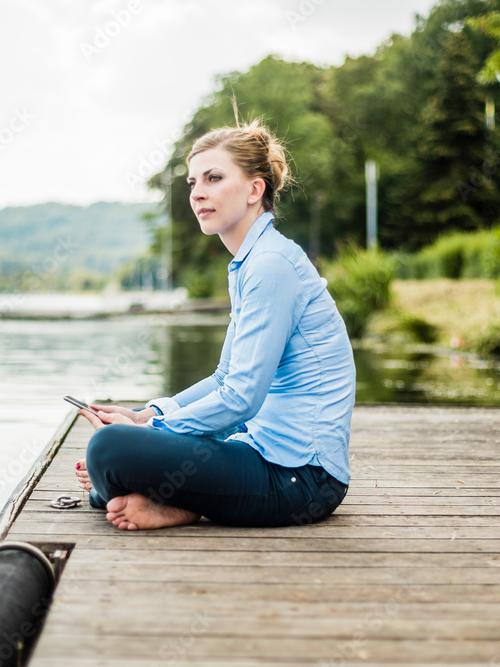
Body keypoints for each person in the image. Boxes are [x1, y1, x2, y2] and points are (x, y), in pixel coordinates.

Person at [75, 119, 355, 530]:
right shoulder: (250, 263)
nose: (198, 192)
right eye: (192, 182)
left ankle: (170, 500)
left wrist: (156, 430)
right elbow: (226, 376)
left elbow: (241, 399)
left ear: (255, 189)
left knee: (108, 451)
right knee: (116, 447)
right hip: (264, 456)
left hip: (303, 481)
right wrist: (146, 415)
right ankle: (157, 494)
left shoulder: (272, 266)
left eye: (214, 178)